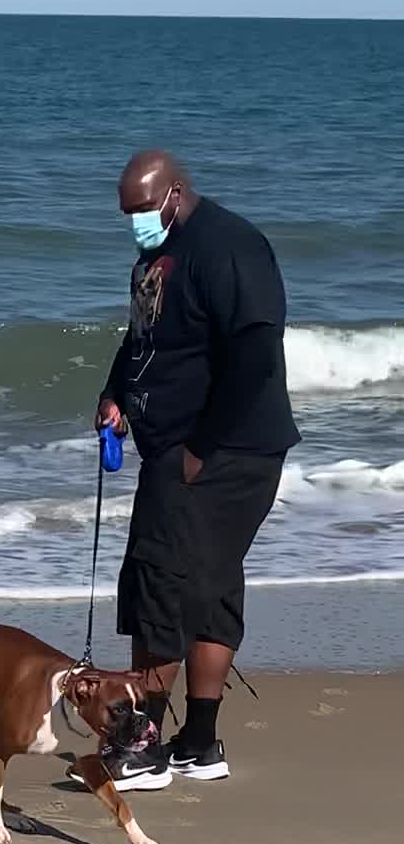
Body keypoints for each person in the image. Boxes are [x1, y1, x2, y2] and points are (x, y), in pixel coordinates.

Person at [86, 149, 300, 789]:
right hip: (184, 450)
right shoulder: (160, 252)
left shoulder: (228, 246)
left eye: (143, 210)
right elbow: (143, 337)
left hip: (223, 453)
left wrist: (201, 447)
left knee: (161, 586)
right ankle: (199, 745)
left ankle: (142, 750)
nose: (135, 225)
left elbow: (258, 353)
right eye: (127, 215)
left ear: (175, 192)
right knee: (208, 586)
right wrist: (116, 392)